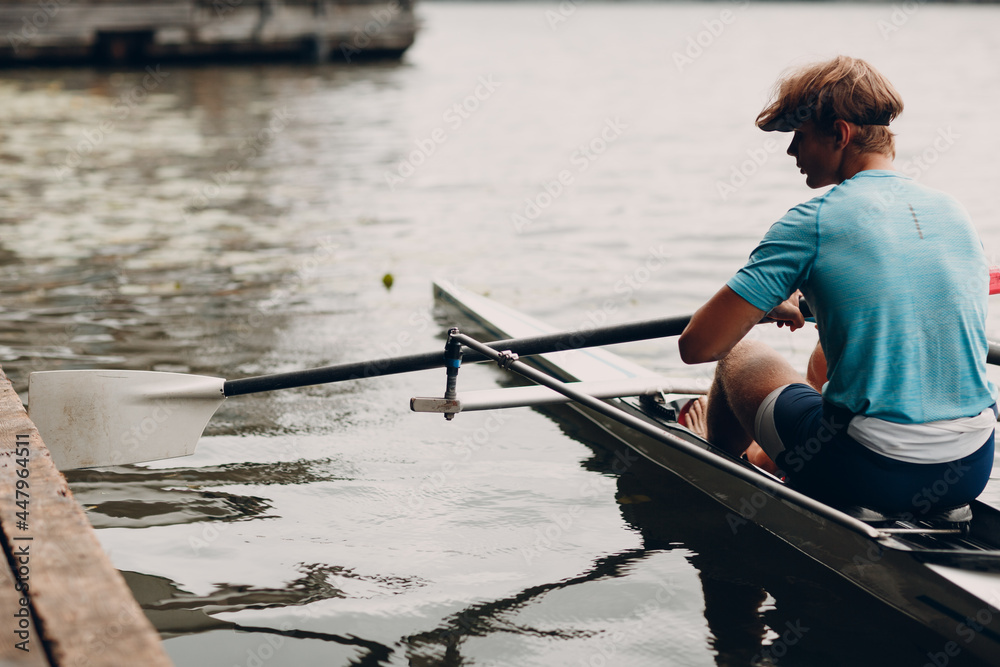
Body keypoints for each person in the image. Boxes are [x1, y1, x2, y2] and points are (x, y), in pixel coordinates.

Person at [677, 55, 997, 515]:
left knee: (738, 356)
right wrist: (812, 296)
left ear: (840, 134)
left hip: (869, 469)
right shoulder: (955, 212)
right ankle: (778, 455)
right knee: (824, 360)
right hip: (970, 466)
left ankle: (731, 465)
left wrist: (765, 304)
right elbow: (891, 290)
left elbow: (698, 345)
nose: (791, 152)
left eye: (799, 136)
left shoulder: (812, 221)